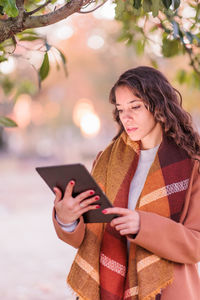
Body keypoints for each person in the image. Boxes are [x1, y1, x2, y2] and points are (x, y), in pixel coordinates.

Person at [53, 66, 200, 300]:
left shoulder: (192, 165)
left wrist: (143, 225)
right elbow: (90, 240)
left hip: (167, 291)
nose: (126, 117)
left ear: (160, 107)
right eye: (121, 109)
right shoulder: (107, 161)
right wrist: (67, 219)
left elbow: (196, 244)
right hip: (110, 291)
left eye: (135, 107)